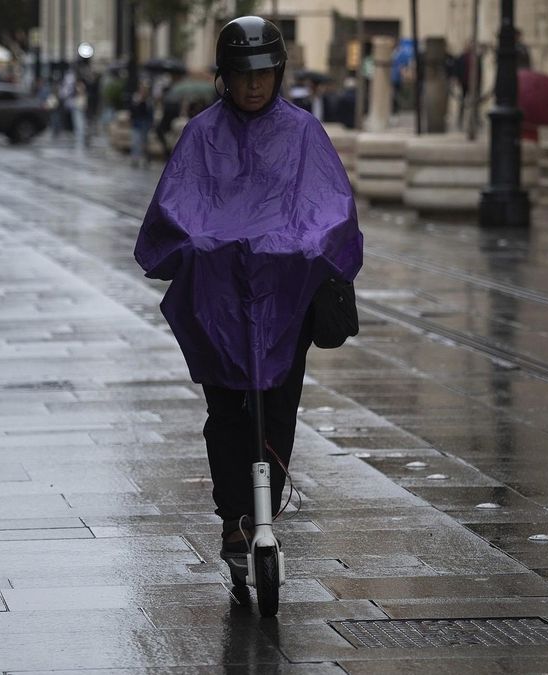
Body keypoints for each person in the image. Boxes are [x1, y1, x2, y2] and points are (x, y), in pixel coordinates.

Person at [133, 16, 362, 562]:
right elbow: (174, 211)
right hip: (218, 302)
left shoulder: (304, 132)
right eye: (242, 74)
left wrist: (306, 246)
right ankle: (235, 516)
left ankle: (264, 506)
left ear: (279, 73)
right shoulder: (201, 135)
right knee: (227, 412)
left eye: (264, 73)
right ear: (224, 77)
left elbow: (331, 207)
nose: (254, 85)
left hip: (285, 300)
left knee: (279, 406)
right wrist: (202, 245)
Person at [128, 81, 153, 167]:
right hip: (137, 123)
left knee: (144, 142)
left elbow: (150, 113)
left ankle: (146, 157)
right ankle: (135, 159)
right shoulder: (136, 98)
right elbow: (132, 110)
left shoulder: (149, 100)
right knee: (136, 141)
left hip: (145, 123)